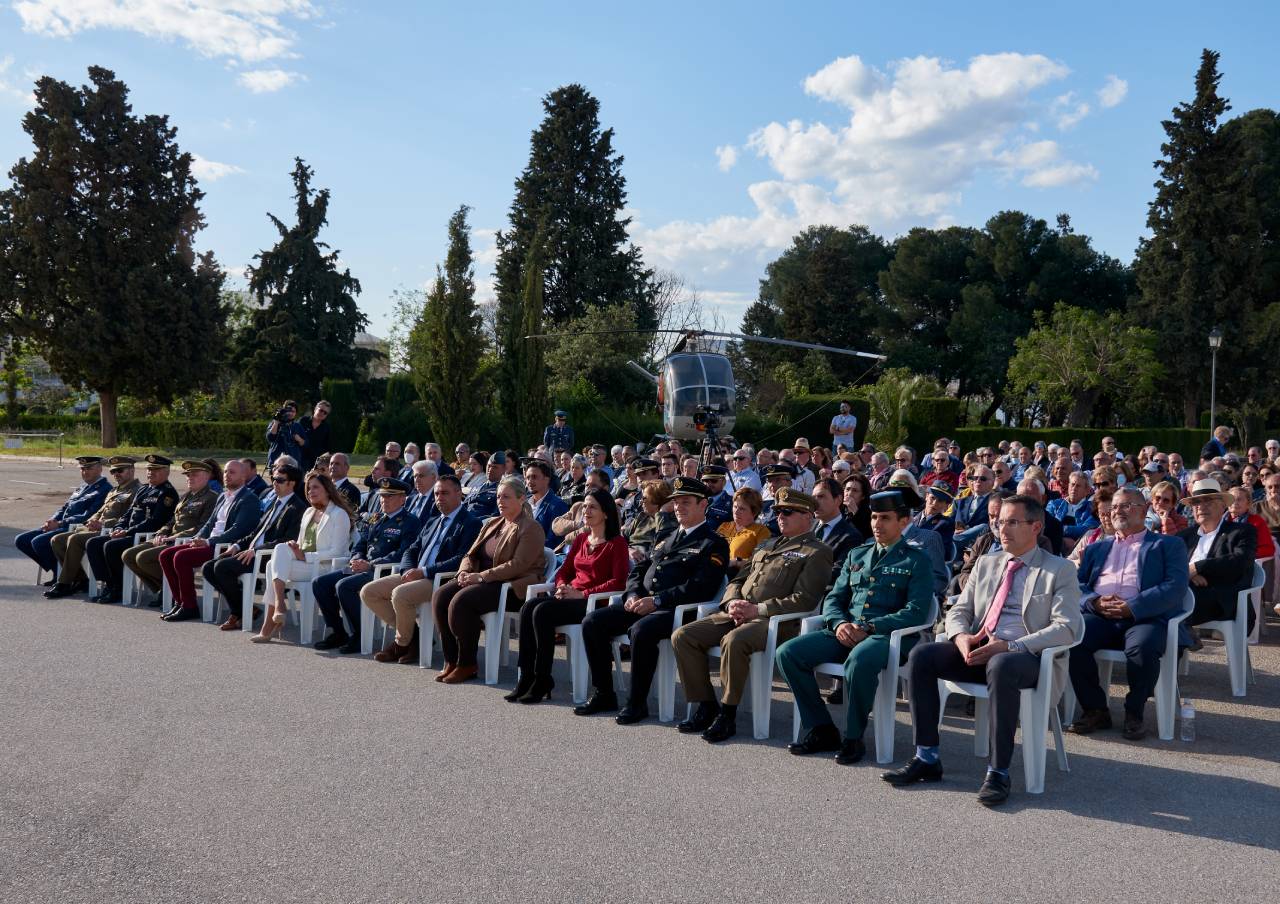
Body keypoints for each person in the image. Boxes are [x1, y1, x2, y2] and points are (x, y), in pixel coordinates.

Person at [884, 494, 1083, 806]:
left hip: (1026, 657)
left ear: (1036, 527)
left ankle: (998, 771)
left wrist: (1011, 645)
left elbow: (1067, 627)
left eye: (1013, 522)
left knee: (1001, 665)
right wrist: (960, 636)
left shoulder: (1058, 570)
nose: (1003, 529)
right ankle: (927, 756)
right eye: (1000, 521)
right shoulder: (988, 563)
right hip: (978, 647)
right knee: (923, 656)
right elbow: (958, 610)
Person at [778, 490, 933, 764]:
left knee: (859, 662)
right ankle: (821, 728)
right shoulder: (857, 555)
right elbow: (835, 598)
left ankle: (853, 737)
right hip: (846, 631)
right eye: (873, 517)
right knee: (788, 653)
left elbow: (916, 612)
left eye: (885, 518)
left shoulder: (916, 560)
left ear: (904, 521)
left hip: (885, 637)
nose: (876, 524)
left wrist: (869, 627)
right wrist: (838, 624)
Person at [674, 488, 834, 742]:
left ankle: (727, 714)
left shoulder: (816, 551)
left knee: (734, 640)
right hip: (738, 614)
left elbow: (805, 599)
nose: (780, 516)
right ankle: (706, 704)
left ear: (807, 516)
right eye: (778, 511)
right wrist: (732, 602)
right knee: (684, 635)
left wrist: (757, 610)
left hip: (775, 623)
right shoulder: (767, 544)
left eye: (788, 512)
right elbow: (737, 579)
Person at [574, 477, 729, 724]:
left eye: (686, 502)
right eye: (676, 502)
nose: (679, 507)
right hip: (643, 603)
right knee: (593, 621)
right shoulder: (666, 536)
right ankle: (604, 693)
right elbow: (639, 569)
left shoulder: (713, 543)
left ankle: (637, 703)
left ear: (704, 505)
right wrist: (633, 593)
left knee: (641, 630)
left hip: (678, 611)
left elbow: (701, 587)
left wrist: (657, 601)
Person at [1066, 487, 1189, 740]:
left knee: (1142, 648)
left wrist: (1134, 606)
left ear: (1144, 511)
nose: (1117, 511)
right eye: (1114, 507)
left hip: (1144, 616)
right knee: (1072, 639)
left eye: (1125, 506)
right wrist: (1095, 602)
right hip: (1100, 615)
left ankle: (1135, 712)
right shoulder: (1096, 548)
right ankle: (1096, 709)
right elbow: (1077, 586)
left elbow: (1175, 586)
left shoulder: (1168, 544)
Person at [508, 488, 630, 703]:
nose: (586, 510)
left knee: (542, 612)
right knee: (528, 608)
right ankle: (527, 675)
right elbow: (564, 571)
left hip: (595, 603)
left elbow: (618, 582)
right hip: (570, 597)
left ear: (607, 513)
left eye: (592, 507)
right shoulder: (582, 538)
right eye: (584, 506)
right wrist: (563, 586)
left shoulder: (616, 543)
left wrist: (582, 593)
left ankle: (543, 677)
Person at [432, 475, 546, 684]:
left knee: (462, 602)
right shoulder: (493, 523)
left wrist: (481, 577)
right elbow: (471, 554)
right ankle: (451, 660)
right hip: (482, 581)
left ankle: (467, 663)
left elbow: (517, 565)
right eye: (498, 497)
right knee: (440, 596)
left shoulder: (530, 528)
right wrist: (464, 573)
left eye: (506, 497)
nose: (500, 501)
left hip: (510, 587)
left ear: (521, 499)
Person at [356, 475, 480, 659]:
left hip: (441, 579)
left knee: (400, 594)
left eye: (445, 493)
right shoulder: (432, 521)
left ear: (458, 493)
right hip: (416, 573)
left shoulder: (470, 523)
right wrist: (407, 570)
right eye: (437, 494)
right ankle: (414, 637)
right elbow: (411, 550)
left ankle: (401, 644)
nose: (439, 498)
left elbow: (461, 559)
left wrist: (424, 571)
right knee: (369, 592)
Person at [251, 471, 354, 643]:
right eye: (308, 488)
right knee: (280, 550)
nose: (310, 491)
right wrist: (296, 548)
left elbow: (337, 552)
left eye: (315, 487)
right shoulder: (308, 513)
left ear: (328, 490)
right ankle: (278, 606)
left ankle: (272, 618)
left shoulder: (339, 514)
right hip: (303, 564)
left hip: (325, 567)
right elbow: (301, 542)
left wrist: (305, 556)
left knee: (271, 566)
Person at [203, 464, 307, 632]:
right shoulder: (275, 503)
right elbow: (256, 533)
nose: (274, 483)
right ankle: (247, 610)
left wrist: (256, 550)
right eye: (273, 479)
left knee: (222, 568)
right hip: (251, 553)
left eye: (280, 480)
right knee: (208, 567)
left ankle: (238, 612)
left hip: (268, 558)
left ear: (292, 483)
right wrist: (237, 545)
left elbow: (288, 540)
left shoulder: (298, 508)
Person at [154, 459, 261, 621]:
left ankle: (190, 607)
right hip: (208, 543)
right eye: (225, 472)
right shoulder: (223, 496)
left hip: (224, 547)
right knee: (166, 555)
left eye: (232, 472)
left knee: (181, 557)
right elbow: (210, 523)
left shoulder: (249, 499)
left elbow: (239, 530)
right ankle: (180, 601)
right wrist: (198, 538)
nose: (227, 475)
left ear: (243, 476)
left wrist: (209, 542)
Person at [122, 459, 219, 610]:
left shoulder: (212, 498)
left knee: (143, 558)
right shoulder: (186, 496)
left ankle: (170, 591)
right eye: (188, 475)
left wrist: (172, 537)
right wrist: (161, 533)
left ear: (207, 476)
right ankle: (162, 589)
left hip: (184, 542)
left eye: (194, 475)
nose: (190, 478)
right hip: (169, 539)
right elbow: (171, 521)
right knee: (128, 555)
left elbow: (202, 528)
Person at [84, 455, 181, 605]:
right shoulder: (144, 489)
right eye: (149, 469)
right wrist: (118, 528)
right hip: (128, 533)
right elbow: (128, 513)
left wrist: (127, 532)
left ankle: (119, 588)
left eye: (155, 469)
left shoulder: (167, 493)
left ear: (167, 472)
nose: (150, 473)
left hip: (144, 536)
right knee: (93, 543)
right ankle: (110, 585)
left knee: (110, 546)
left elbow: (154, 522)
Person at [41, 457, 140, 598]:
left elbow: (129, 517)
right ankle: (79, 579)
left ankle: (64, 583)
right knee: (57, 540)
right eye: (113, 471)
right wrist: (93, 520)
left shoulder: (136, 490)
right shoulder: (114, 490)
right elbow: (100, 511)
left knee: (75, 540)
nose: (116, 474)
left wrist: (104, 524)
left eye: (120, 470)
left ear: (131, 471)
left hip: (111, 530)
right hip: (97, 528)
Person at [1177, 477, 1258, 636]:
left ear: (1223, 505)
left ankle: (1179, 639)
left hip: (1223, 602)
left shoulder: (1242, 531)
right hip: (1185, 592)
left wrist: (1198, 567)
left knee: (1166, 607)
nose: (1201, 507)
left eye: (1208, 501)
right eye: (1196, 503)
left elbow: (1240, 562)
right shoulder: (1184, 536)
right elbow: (1168, 564)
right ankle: (1179, 641)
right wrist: (1189, 574)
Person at [18, 455, 111, 580]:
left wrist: (60, 523)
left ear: (100, 469)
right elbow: (64, 507)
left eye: (89, 468)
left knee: (38, 542)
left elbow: (88, 515)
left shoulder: (105, 489)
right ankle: (57, 571)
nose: (85, 472)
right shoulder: (82, 487)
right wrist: (52, 520)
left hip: (76, 528)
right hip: (61, 525)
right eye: (82, 469)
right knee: (21, 540)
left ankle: (66, 577)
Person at [716, 486, 771, 574]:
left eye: (742, 509)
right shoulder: (724, 526)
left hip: (737, 578)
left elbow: (761, 563)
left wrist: (737, 562)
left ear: (754, 512)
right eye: (735, 506)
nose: (736, 512)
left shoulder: (761, 531)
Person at [813, 477, 863, 571]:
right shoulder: (807, 526)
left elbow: (838, 572)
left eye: (821, 496)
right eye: (813, 497)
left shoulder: (851, 536)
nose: (815, 502)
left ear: (838, 500)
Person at [623, 479, 678, 564]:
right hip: (628, 556)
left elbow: (661, 541)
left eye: (644, 498)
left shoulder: (671, 521)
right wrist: (628, 550)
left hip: (646, 562)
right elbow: (621, 536)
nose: (641, 502)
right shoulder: (642, 517)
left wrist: (662, 513)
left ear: (656, 501)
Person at [523, 457, 569, 547]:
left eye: (534, 477)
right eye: (528, 478)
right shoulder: (523, 503)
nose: (529, 481)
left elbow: (554, 541)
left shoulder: (557, 505)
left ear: (546, 479)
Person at [915, 485, 955, 562]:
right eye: (932, 498)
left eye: (940, 501)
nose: (935, 503)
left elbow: (944, 553)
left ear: (946, 506)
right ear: (926, 496)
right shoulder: (911, 518)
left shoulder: (945, 523)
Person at [465, 451, 507, 520]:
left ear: (504, 470)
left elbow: (496, 515)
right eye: (489, 466)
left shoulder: (503, 490)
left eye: (495, 467)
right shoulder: (480, 486)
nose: (490, 469)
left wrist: (473, 521)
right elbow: (465, 505)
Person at [265, 400, 307, 469]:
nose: (290, 413)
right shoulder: (275, 423)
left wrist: (299, 439)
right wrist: (276, 422)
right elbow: (270, 438)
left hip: (293, 462)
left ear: (296, 413)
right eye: (288, 410)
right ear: (284, 411)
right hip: (276, 461)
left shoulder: (298, 426)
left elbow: (305, 444)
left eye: (293, 411)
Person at [298, 400, 332, 472]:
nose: (322, 413)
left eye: (325, 413)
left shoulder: (326, 428)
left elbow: (327, 447)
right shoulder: (303, 421)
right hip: (299, 458)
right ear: (315, 409)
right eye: (321, 410)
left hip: (315, 462)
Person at [841, 472, 873, 540]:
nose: (849, 494)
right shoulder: (837, 509)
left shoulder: (869, 515)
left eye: (855, 491)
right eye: (847, 489)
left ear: (863, 496)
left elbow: (865, 536)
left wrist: (856, 513)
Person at [702, 464, 733, 530]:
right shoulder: (698, 500)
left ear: (723, 482)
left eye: (714, 481)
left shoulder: (732, 503)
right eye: (706, 481)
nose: (709, 484)